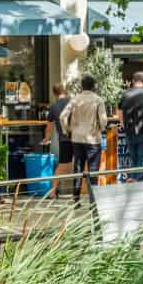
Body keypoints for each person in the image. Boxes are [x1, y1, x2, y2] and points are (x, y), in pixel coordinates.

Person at [59, 75, 107, 203]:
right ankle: (93, 199)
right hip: (92, 139)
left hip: (77, 138)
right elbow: (103, 120)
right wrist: (101, 128)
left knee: (78, 168)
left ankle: (76, 198)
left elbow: (62, 116)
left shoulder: (75, 99)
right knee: (93, 169)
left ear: (82, 86)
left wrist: (67, 130)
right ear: (93, 86)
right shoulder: (98, 100)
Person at [42, 84, 73, 194]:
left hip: (64, 140)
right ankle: (87, 190)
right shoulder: (72, 102)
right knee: (82, 164)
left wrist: (46, 139)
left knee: (62, 166)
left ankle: (52, 192)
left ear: (54, 94)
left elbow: (49, 128)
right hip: (78, 137)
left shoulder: (54, 107)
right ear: (64, 91)